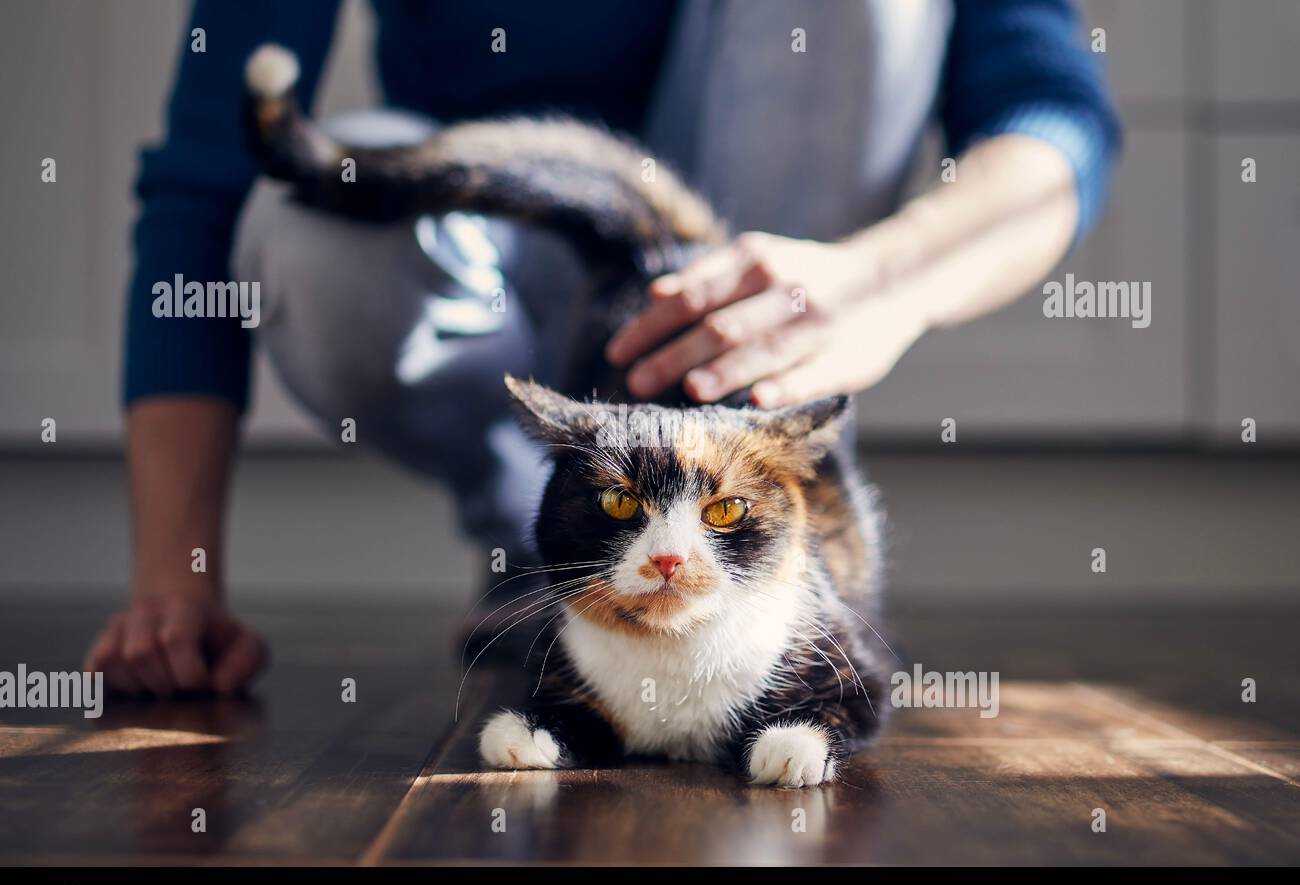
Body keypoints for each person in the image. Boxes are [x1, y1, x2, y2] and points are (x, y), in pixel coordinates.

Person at [86, 0, 1120, 697]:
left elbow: (1048, 113)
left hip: (747, 263)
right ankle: (541, 549)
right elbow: (208, 173)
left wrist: (884, 282)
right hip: (508, 250)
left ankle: (751, 523)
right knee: (308, 224)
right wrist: (173, 584)